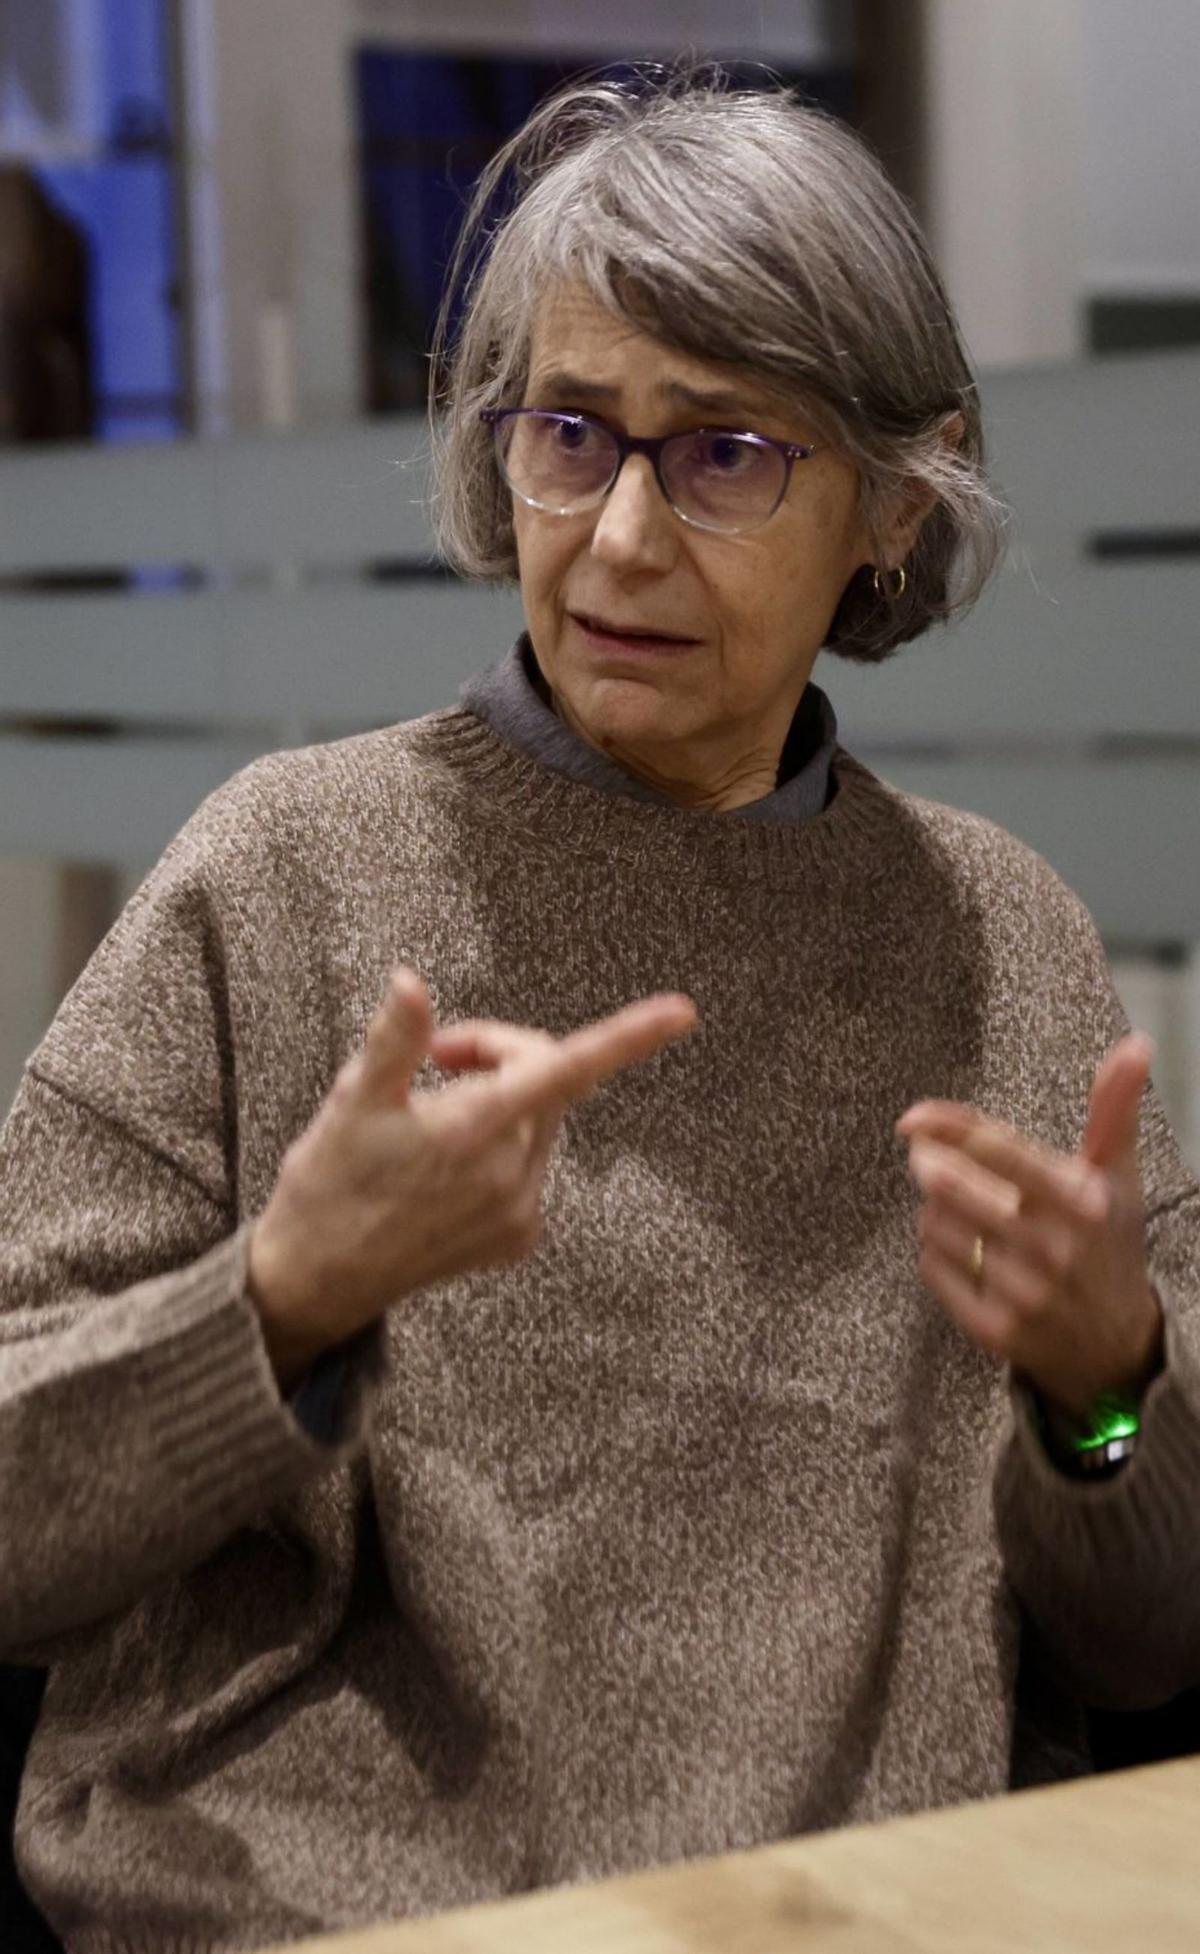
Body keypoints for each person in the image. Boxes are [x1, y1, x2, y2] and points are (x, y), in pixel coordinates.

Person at [1, 65, 1198, 1954]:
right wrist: (279, 1303)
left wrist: (1105, 1395)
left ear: (895, 496)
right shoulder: (286, 874)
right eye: (572, 435)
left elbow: (1152, 1642)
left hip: (865, 1914)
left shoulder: (1006, 947)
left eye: (725, 453)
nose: (623, 537)